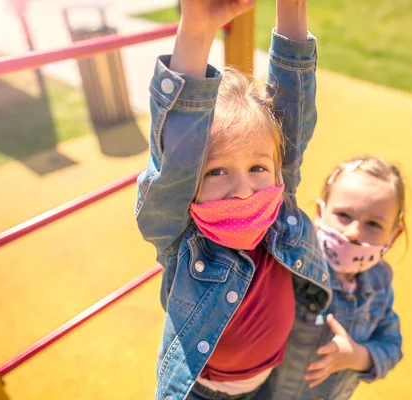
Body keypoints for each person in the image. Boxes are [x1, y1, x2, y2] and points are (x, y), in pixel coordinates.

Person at [134, 1, 331, 399]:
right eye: (218, 172)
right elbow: (176, 156)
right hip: (202, 391)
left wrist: (292, 9)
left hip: (275, 376)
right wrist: (196, 32)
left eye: (257, 169)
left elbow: (294, 109)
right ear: (191, 182)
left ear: (278, 170)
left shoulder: (278, 208)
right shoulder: (180, 236)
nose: (243, 189)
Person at [261, 156, 405, 399]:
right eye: (344, 215)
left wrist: (358, 356)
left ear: (393, 237)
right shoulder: (296, 263)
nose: (354, 233)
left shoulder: (379, 283)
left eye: (373, 224)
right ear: (320, 212)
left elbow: (391, 345)